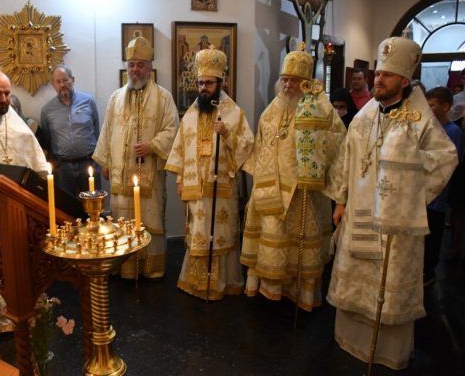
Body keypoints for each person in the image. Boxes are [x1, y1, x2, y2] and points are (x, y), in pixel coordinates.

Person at [326, 36, 458, 370]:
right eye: (377, 74)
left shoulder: (420, 117)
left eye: (386, 75)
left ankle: (387, 351)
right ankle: (352, 340)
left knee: (389, 283)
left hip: (395, 222)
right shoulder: (365, 114)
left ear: (403, 79)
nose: (378, 80)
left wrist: (408, 166)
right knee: (357, 277)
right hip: (358, 212)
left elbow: (445, 158)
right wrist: (340, 200)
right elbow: (346, 157)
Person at [240, 48, 345, 311]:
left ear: (306, 83)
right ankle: (270, 289)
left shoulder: (321, 108)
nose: (288, 85)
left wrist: (314, 160)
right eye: (284, 79)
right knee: (271, 240)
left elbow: (339, 144)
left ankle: (299, 294)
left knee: (297, 245)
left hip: (302, 192)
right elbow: (261, 144)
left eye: (294, 81)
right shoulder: (271, 109)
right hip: (269, 189)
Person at [165, 46, 254, 300]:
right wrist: (181, 179)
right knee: (199, 234)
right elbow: (181, 149)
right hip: (196, 190)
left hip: (223, 188)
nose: (204, 87)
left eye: (209, 83)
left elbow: (248, 147)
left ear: (220, 82)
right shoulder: (190, 115)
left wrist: (227, 134)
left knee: (222, 235)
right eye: (201, 82)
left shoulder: (234, 113)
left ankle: (223, 283)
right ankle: (196, 281)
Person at [93, 36, 179, 280]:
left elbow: (173, 129)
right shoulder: (115, 97)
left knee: (149, 221)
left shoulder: (163, 97)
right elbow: (107, 131)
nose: (135, 69)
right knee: (122, 222)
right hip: (121, 176)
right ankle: (126, 268)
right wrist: (105, 163)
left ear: (149, 67)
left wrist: (152, 146)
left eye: (140, 64)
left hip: (149, 174)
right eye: (131, 64)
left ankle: (151, 269)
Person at [422, 87, 462, 285]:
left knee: (434, 234)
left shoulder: (453, 131)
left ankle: (429, 271)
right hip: (421, 192)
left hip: (438, 194)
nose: (428, 108)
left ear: (445, 107)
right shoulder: (428, 127)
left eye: (432, 105)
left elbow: (450, 162)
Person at [41, 66, 100, 196]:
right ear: (53, 84)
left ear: (72, 80)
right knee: (67, 209)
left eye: (65, 80)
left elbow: (97, 131)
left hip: (89, 164)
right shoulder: (47, 110)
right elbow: (47, 139)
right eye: (58, 81)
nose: (62, 84)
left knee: (94, 206)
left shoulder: (88, 101)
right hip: (63, 168)